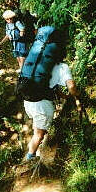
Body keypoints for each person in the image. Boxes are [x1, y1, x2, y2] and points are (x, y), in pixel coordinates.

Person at [23, 30, 80, 161]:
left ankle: (35, 151)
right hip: (41, 105)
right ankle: (29, 159)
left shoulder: (37, 62)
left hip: (28, 100)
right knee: (39, 134)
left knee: (37, 128)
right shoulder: (62, 67)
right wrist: (76, 95)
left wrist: (64, 97)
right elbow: (71, 86)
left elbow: (50, 86)